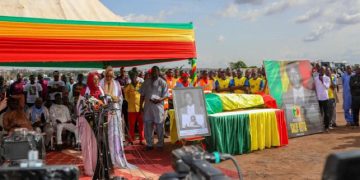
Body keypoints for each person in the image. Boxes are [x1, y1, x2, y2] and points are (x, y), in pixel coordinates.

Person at [100, 66, 132, 168]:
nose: (109, 78)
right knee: (105, 136)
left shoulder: (117, 84)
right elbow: (98, 98)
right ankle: (107, 159)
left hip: (115, 113)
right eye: (107, 76)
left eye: (111, 76)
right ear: (105, 75)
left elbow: (121, 98)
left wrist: (116, 100)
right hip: (104, 113)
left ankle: (116, 158)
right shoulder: (101, 83)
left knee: (115, 135)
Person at [77, 72, 103, 176]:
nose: (96, 82)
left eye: (97, 79)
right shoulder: (84, 91)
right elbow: (79, 107)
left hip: (98, 121)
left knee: (96, 145)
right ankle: (88, 169)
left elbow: (104, 103)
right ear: (90, 81)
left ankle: (96, 166)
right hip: (87, 121)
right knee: (87, 145)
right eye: (94, 80)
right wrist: (88, 108)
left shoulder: (101, 90)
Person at [139, 66, 168, 151]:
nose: (154, 73)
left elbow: (166, 95)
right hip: (148, 107)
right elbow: (142, 95)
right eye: (153, 71)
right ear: (151, 72)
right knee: (148, 125)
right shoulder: (146, 82)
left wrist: (160, 99)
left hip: (158, 107)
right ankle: (149, 144)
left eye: (156, 71)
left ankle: (160, 144)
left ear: (159, 72)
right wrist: (141, 107)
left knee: (159, 126)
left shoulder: (163, 82)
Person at [124, 70, 144, 145]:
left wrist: (143, 105)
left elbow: (143, 95)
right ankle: (131, 139)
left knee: (141, 125)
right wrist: (130, 101)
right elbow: (126, 95)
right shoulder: (128, 86)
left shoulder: (141, 85)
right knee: (131, 125)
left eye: (134, 76)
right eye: (131, 76)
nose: (133, 78)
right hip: (131, 108)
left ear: (137, 76)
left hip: (140, 108)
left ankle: (142, 139)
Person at [314, 67, 331, 132]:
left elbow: (327, 87)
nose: (322, 71)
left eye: (323, 70)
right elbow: (314, 87)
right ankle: (320, 126)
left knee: (326, 113)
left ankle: (327, 126)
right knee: (319, 113)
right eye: (320, 70)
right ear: (319, 70)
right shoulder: (315, 78)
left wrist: (322, 81)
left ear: (324, 71)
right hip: (318, 98)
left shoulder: (327, 78)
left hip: (325, 98)